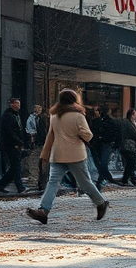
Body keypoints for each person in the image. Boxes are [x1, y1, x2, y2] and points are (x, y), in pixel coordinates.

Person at [25, 89, 109, 224]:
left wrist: (44, 155)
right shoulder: (78, 116)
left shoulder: (54, 115)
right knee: (85, 182)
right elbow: (88, 135)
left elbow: (50, 137)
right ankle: (100, 202)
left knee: (52, 182)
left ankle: (43, 210)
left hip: (57, 154)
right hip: (76, 154)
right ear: (73, 100)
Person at [0, 97, 28, 194]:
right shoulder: (8, 116)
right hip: (10, 145)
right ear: (12, 104)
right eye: (17, 104)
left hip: (13, 144)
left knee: (15, 166)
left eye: (19, 104)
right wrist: (18, 142)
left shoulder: (15, 115)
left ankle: (1, 184)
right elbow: (10, 132)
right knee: (16, 166)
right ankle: (20, 187)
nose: (18, 106)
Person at [89, 106, 120, 188]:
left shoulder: (103, 122)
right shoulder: (105, 122)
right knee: (102, 164)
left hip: (102, 145)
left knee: (102, 164)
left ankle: (101, 180)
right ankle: (105, 178)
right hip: (102, 145)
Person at [24, 103, 44, 189]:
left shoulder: (38, 118)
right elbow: (31, 129)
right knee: (35, 159)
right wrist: (32, 138)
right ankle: (34, 178)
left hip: (38, 140)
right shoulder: (33, 118)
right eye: (38, 109)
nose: (40, 111)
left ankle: (36, 179)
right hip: (37, 140)